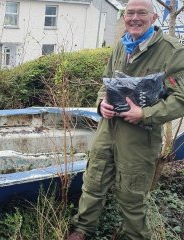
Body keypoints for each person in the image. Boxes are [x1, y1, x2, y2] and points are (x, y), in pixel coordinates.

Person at [67, 0, 184, 239]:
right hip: (107, 129)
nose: (134, 18)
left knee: (132, 194)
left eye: (142, 13)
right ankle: (83, 229)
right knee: (93, 183)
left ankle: (135, 236)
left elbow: (181, 98)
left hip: (139, 134)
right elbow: (107, 81)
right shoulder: (122, 44)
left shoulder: (172, 51)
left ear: (154, 18)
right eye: (129, 13)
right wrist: (101, 104)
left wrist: (145, 114)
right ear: (124, 17)